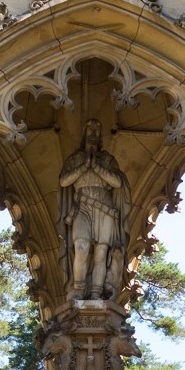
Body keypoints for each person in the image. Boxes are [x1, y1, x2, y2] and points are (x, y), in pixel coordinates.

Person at [58, 118, 131, 300]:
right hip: (81, 207)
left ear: (100, 137)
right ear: (84, 134)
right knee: (81, 247)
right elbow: (63, 181)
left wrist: (96, 167)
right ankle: (79, 291)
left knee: (100, 253)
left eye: (96, 132)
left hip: (104, 209)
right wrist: (84, 166)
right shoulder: (75, 159)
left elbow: (117, 182)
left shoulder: (107, 159)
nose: (93, 134)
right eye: (89, 130)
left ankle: (96, 293)